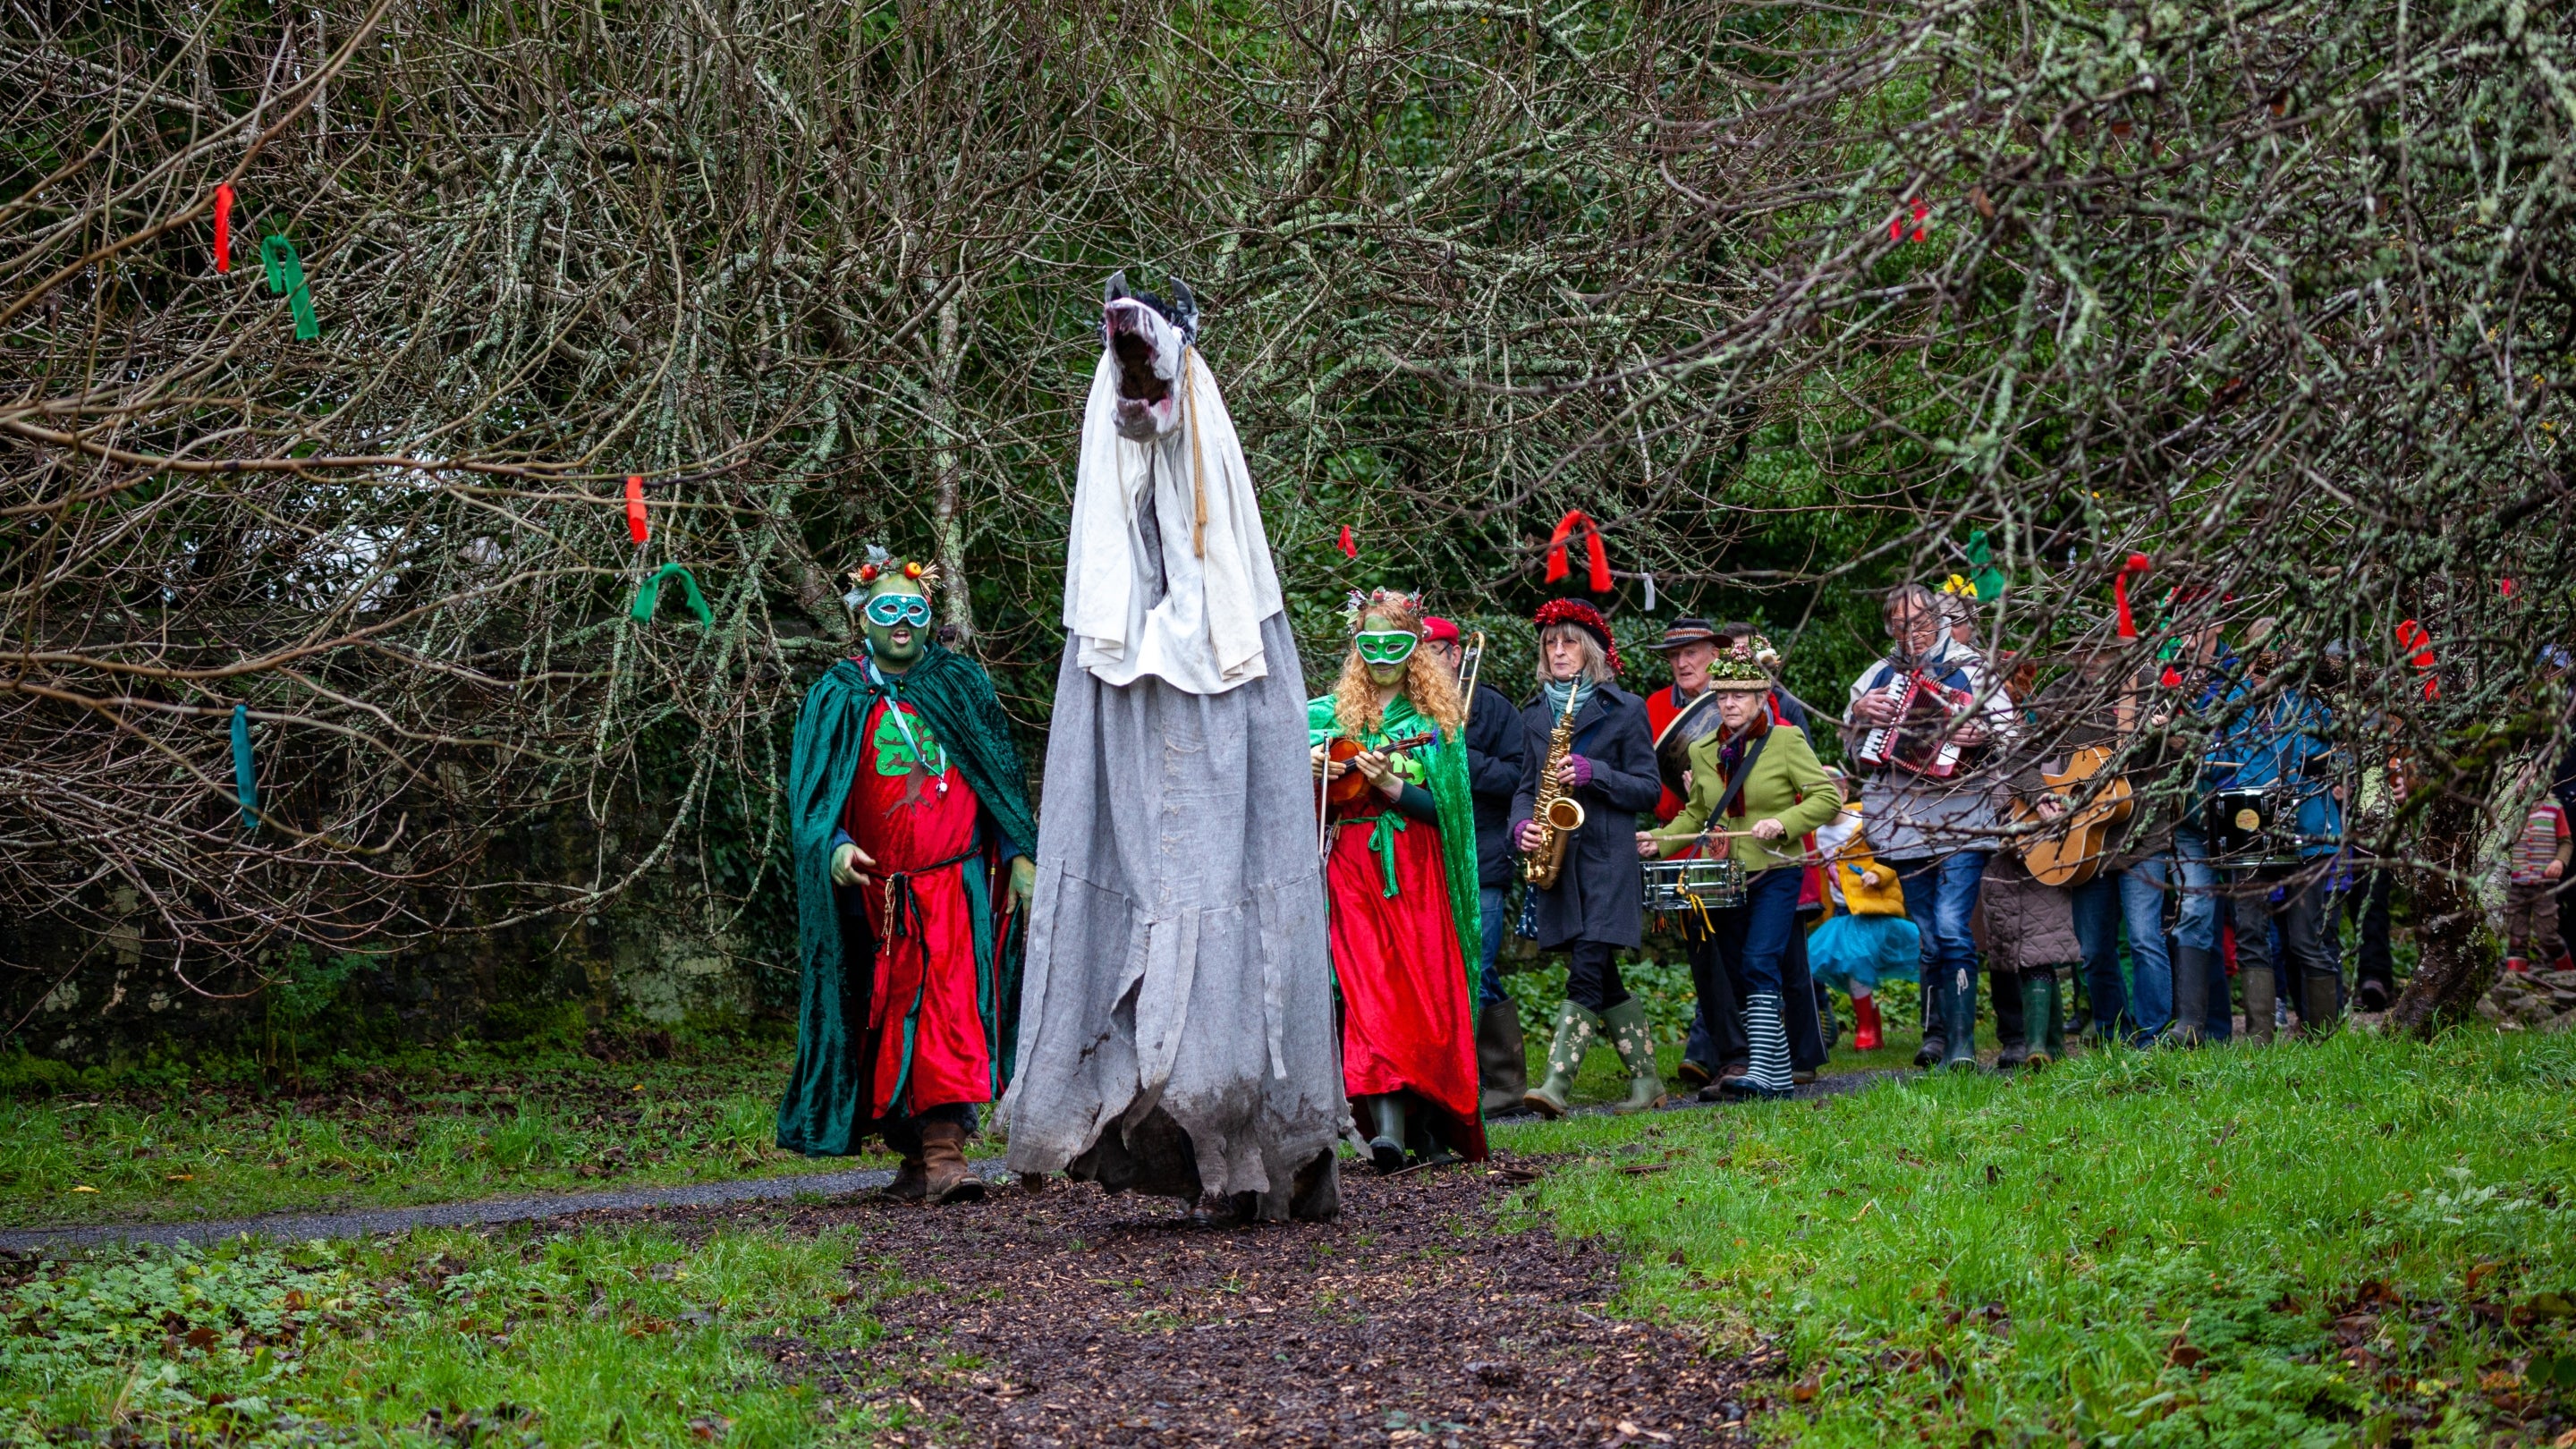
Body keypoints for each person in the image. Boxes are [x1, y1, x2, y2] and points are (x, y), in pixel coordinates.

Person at [1004, 272, 1342, 1224]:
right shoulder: (1110, 503)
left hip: (1221, 679)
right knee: (1146, 915)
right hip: (1128, 678)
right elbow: (1129, 441)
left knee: (1238, 917)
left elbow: (1206, 538)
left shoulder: (1217, 492)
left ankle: (1268, 1154)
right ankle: (1181, 1153)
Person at [777, 551, 1039, 1206]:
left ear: (929, 619)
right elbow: (812, 798)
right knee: (885, 1019)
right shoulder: (836, 696)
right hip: (876, 895)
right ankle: (917, 1155)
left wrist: (1018, 851)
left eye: (913, 610)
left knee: (950, 1012)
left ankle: (946, 1153)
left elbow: (998, 775)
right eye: (886, 610)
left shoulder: (961, 685)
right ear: (862, 618)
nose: (901, 623)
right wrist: (833, 847)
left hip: (955, 887)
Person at [1646, 642, 1843, 1097]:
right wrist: (1654, 841)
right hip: (1725, 878)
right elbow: (1696, 817)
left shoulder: (1786, 740)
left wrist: (1784, 822)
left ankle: (1767, 1072)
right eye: (1722, 696)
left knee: (1760, 962)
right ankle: (1767, 1073)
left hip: (1776, 871)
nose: (1729, 704)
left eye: (1739, 695)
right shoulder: (1701, 751)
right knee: (1736, 970)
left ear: (1759, 698)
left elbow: (1827, 797)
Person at [1843, 583, 2016, 1069]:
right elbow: (1851, 750)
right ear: (1888, 629)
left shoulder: (1974, 669)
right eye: (1900, 625)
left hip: (1963, 818)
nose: (1911, 633)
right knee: (1928, 932)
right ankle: (1937, 1037)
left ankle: (1961, 1047)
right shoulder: (1877, 675)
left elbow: (2013, 736)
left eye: (1920, 622)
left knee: (1950, 925)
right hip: (1902, 823)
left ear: (1939, 620)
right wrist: (1857, 714)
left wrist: (1981, 733)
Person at [1510, 598, 1665, 1117]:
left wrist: (1595, 773)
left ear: (1591, 649)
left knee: (1587, 968)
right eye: (1551, 643)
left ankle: (1555, 1084)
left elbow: (1648, 789)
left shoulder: (1627, 709)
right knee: (1601, 972)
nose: (1558, 651)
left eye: (1569, 641)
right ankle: (1647, 1084)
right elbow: (1524, 788)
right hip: (1559, 863)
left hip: (1606, 860)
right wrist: (1521, 827)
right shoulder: (1534, 715)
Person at [2206, 621, 2346, 1041]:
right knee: (2250, 934)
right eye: (2259, 657)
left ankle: (2322, 1036)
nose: (2265, 667)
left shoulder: (2314, 702)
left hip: (2310, 831)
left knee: (2307, 939)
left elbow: (2338, 756)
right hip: (2249, 833)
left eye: (2276, 657)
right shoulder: (2232, 702)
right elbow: (2214, 761)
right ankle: (2260, 1036)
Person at [1420, 616, 1530, 1114]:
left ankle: (1502, 1083)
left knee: (1477, 966)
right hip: (1425, 855)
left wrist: (1461, 757)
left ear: (1458, 652)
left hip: (1484, 855)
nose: (1427, 660)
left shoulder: (1492, 708)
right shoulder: (1406, 708)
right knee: (1440, 969)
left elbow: (1516, 777)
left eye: (1437, 650)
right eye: (1419, 651)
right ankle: (1462, 1080)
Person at [1642, 618, 1745, 1089]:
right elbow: (1654, 790)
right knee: (1704, 952)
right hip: (1683, 844)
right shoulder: (1655, 707)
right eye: (1675, 655)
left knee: (1743, 952)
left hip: (1741, 840)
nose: (1682, 663)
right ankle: (1727, 1055)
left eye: (1693, 653)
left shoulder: (1741, 696)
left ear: (1715, 655)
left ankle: (1750, 1053)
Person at [1803, 773, 1918, 1050]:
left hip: (1873, 911)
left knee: (1863, 961)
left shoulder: (1866, 823)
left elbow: (1895, 851)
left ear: (1843, 794)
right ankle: (1869, 1027)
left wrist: (1877, 873)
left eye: (1828, 796)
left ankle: (1874, 1027)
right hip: (1844, 913)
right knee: (1849, 966)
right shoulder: (1817, 834)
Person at [2505, 760, 2573, 974]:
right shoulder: (2510, 811)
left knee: (2548, 934)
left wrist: (2559, 861)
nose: (2527, 782)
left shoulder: (2554, 809)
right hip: (2517, 884)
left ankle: (2569, 974)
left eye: (2532, 776)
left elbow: (2566, 842)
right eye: (2522, 777)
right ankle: (2514, 980)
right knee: (2517, 935)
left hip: (2544, 884)